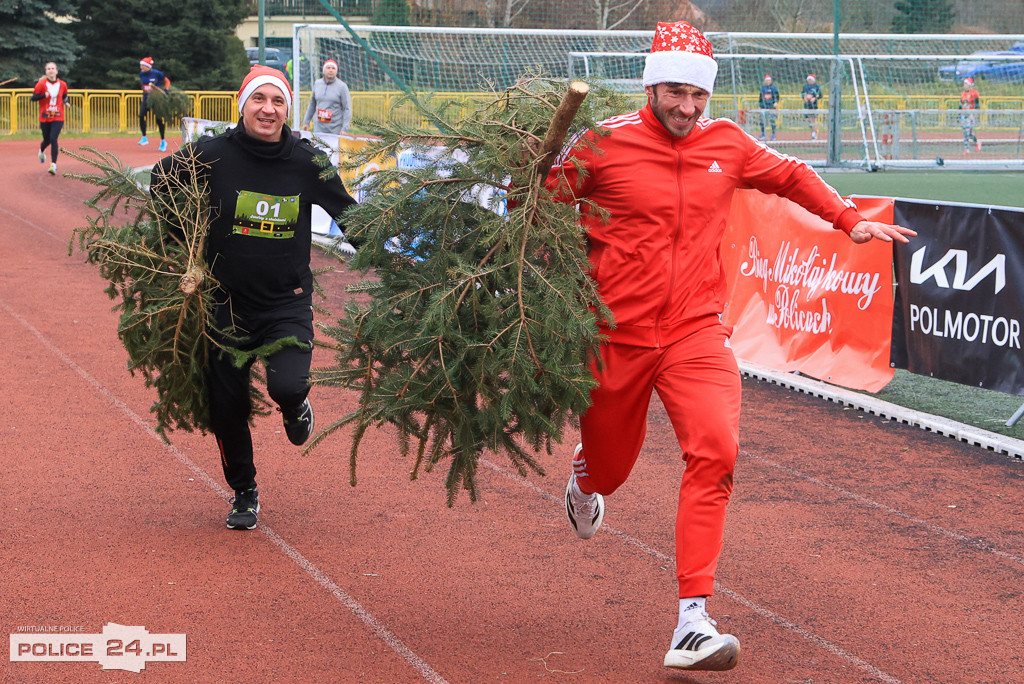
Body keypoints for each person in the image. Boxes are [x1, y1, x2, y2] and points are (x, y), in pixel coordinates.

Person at [551, 21, 915, 672]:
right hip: (613, 336)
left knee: (716, 450)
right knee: (610, 470)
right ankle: (585, 480)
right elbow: (540, 201)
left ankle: (693, 620)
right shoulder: (604, 142)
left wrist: (849, 220)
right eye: (675, 92)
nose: (687, 107)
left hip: (696, 330)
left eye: (698, 95)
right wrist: (525, 179)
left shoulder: (728, 143)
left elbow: (791, 175)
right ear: (651, 86)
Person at [152, 66, 357, 530]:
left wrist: (397, 257)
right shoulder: (212, 154)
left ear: (288, 109)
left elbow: (352, 217)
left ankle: (295, 405)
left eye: (278, 101)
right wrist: (179, 244)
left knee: (287, 385)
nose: (268, 109)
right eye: (259, 99)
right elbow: (162, 182)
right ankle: (244, 491)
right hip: (224, 306)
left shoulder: (307, 161)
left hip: (286, 302)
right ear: (242, 105)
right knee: (227, 408)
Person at [30, 61, 69, 175]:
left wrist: (66, 102)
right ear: (46, 72)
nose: (51, 70)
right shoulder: (41, 84)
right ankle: (41, 151)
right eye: (48, 69)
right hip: (45, 116)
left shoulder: (63, 84)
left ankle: (53, 165)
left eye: (53, 68)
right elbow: (33, 98)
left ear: (56, 71)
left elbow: (65, 96)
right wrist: (43, 96)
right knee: (46, 140)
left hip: (58, 116)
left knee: (53, 138)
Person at [301, 59, 352, 135]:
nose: (331, 70)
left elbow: (347, 108)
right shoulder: (317, 84)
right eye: (328, 68)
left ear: (336, 71)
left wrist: (345, 128)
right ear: (324, 70)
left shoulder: (342, 87)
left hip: (335, 129)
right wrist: (306, 122)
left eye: (333, 68)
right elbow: (312, 105)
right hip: (319, 128)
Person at [138, 57, 170, 151]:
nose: (141, 67)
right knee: (141, 115)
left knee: (159, 120)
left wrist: (166, 89)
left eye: (143, 65)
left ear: (148, 66)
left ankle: (163, 141)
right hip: (146, 99)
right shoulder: (141, 74)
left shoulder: (157, 73)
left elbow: (167, 81)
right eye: (140, 65)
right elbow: (144, 86)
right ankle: (144, 137)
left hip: (156, 99)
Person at [959, 77, 981, 154]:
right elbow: (961, 104)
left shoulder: (974, 93)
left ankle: (971, 146)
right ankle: (970, 147)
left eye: (966, 84)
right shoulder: (962, 94)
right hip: (964, 114)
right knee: (966, 132)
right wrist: (959, 113)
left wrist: (973, 113)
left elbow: (977, 105)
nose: (964, 85)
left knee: (968, 132)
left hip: (971, 114)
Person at [757, 74, 779, 141]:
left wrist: (776, 102)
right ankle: (763, 134)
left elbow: (777, 96)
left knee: (773, 121)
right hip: (764, 107)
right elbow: (760, 97)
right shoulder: (763, 88)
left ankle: (773, 135)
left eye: (769, 80)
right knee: (762, 121)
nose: (768, 82)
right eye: (766, 80)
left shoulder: (774, 88)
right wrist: (760, 105)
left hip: (771, 107)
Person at [801, 73, 823, 140]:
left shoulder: (817, 87)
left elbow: (820, 95)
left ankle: (814, 134)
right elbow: (802, 93)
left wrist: (814, 98)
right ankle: (814, 130)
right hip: (807, 105)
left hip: (813, 105)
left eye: (811, 79)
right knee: (808, 120)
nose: (809, 81)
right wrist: (804, 97)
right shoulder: (805, 86)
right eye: (809, 79)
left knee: (812, 120)